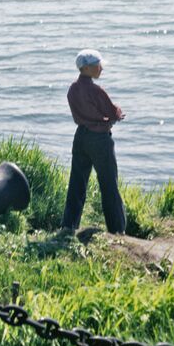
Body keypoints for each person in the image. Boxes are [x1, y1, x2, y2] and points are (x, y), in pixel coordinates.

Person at [60, 49, 127, 234]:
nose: (101, 68)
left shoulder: (73, 89)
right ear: (87, 68)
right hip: (99, 139)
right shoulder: (96, 90)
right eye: (98, 65)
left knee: (77, 183)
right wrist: (117, 114)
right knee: (108, 184)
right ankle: (117, 230)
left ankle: (68, 226)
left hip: (80, 137)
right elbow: (113, 113)